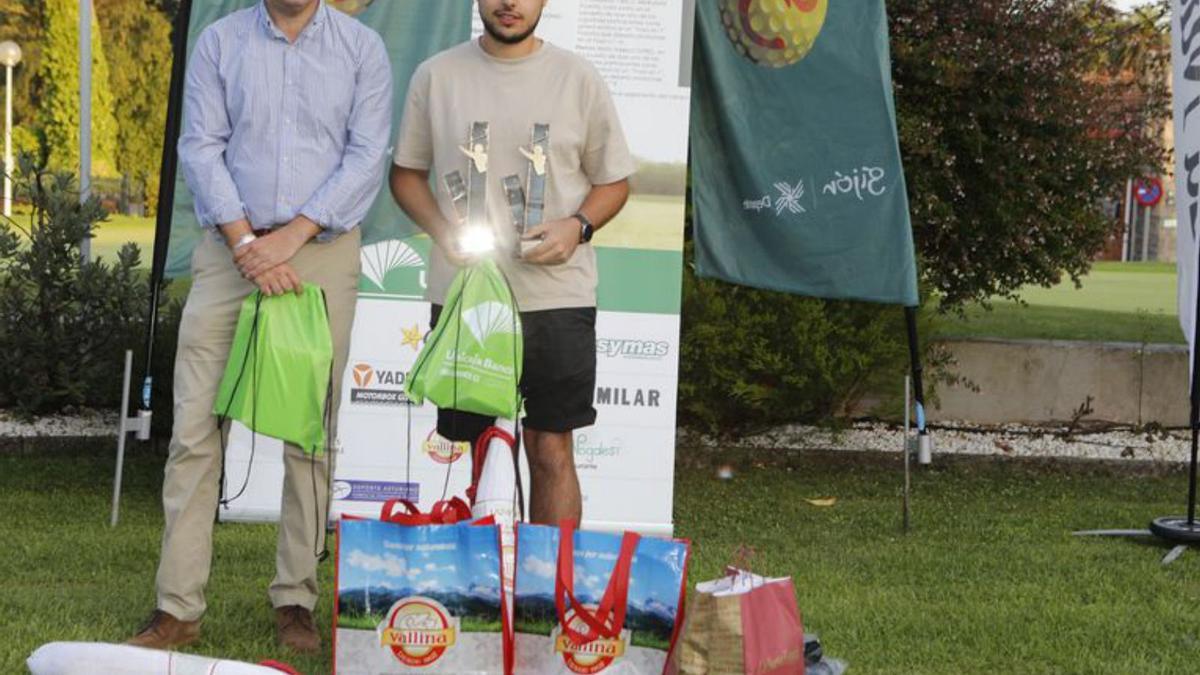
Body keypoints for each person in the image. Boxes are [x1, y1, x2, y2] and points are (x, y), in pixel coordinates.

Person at [127, 0, 392, 653]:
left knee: (310, 436)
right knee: (194, 431)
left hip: (322, 254)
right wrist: (248, 242)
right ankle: (178, 608)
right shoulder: (221, 42)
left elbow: (366, 157)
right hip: (228, 252)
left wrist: (294, 235)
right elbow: (200, 145)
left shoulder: (362, 50)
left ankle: (296, 599)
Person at [390, 0, 634, 526]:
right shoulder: (437, 76)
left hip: (556, 297)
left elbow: (614, 182)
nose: (509, 4)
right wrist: (443, 230)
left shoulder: (578, 78)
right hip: (465, 298)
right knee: (479, 452)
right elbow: (405, 174)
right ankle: (485, 597)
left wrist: (578, 227)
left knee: (550, 450)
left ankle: (549, 596)